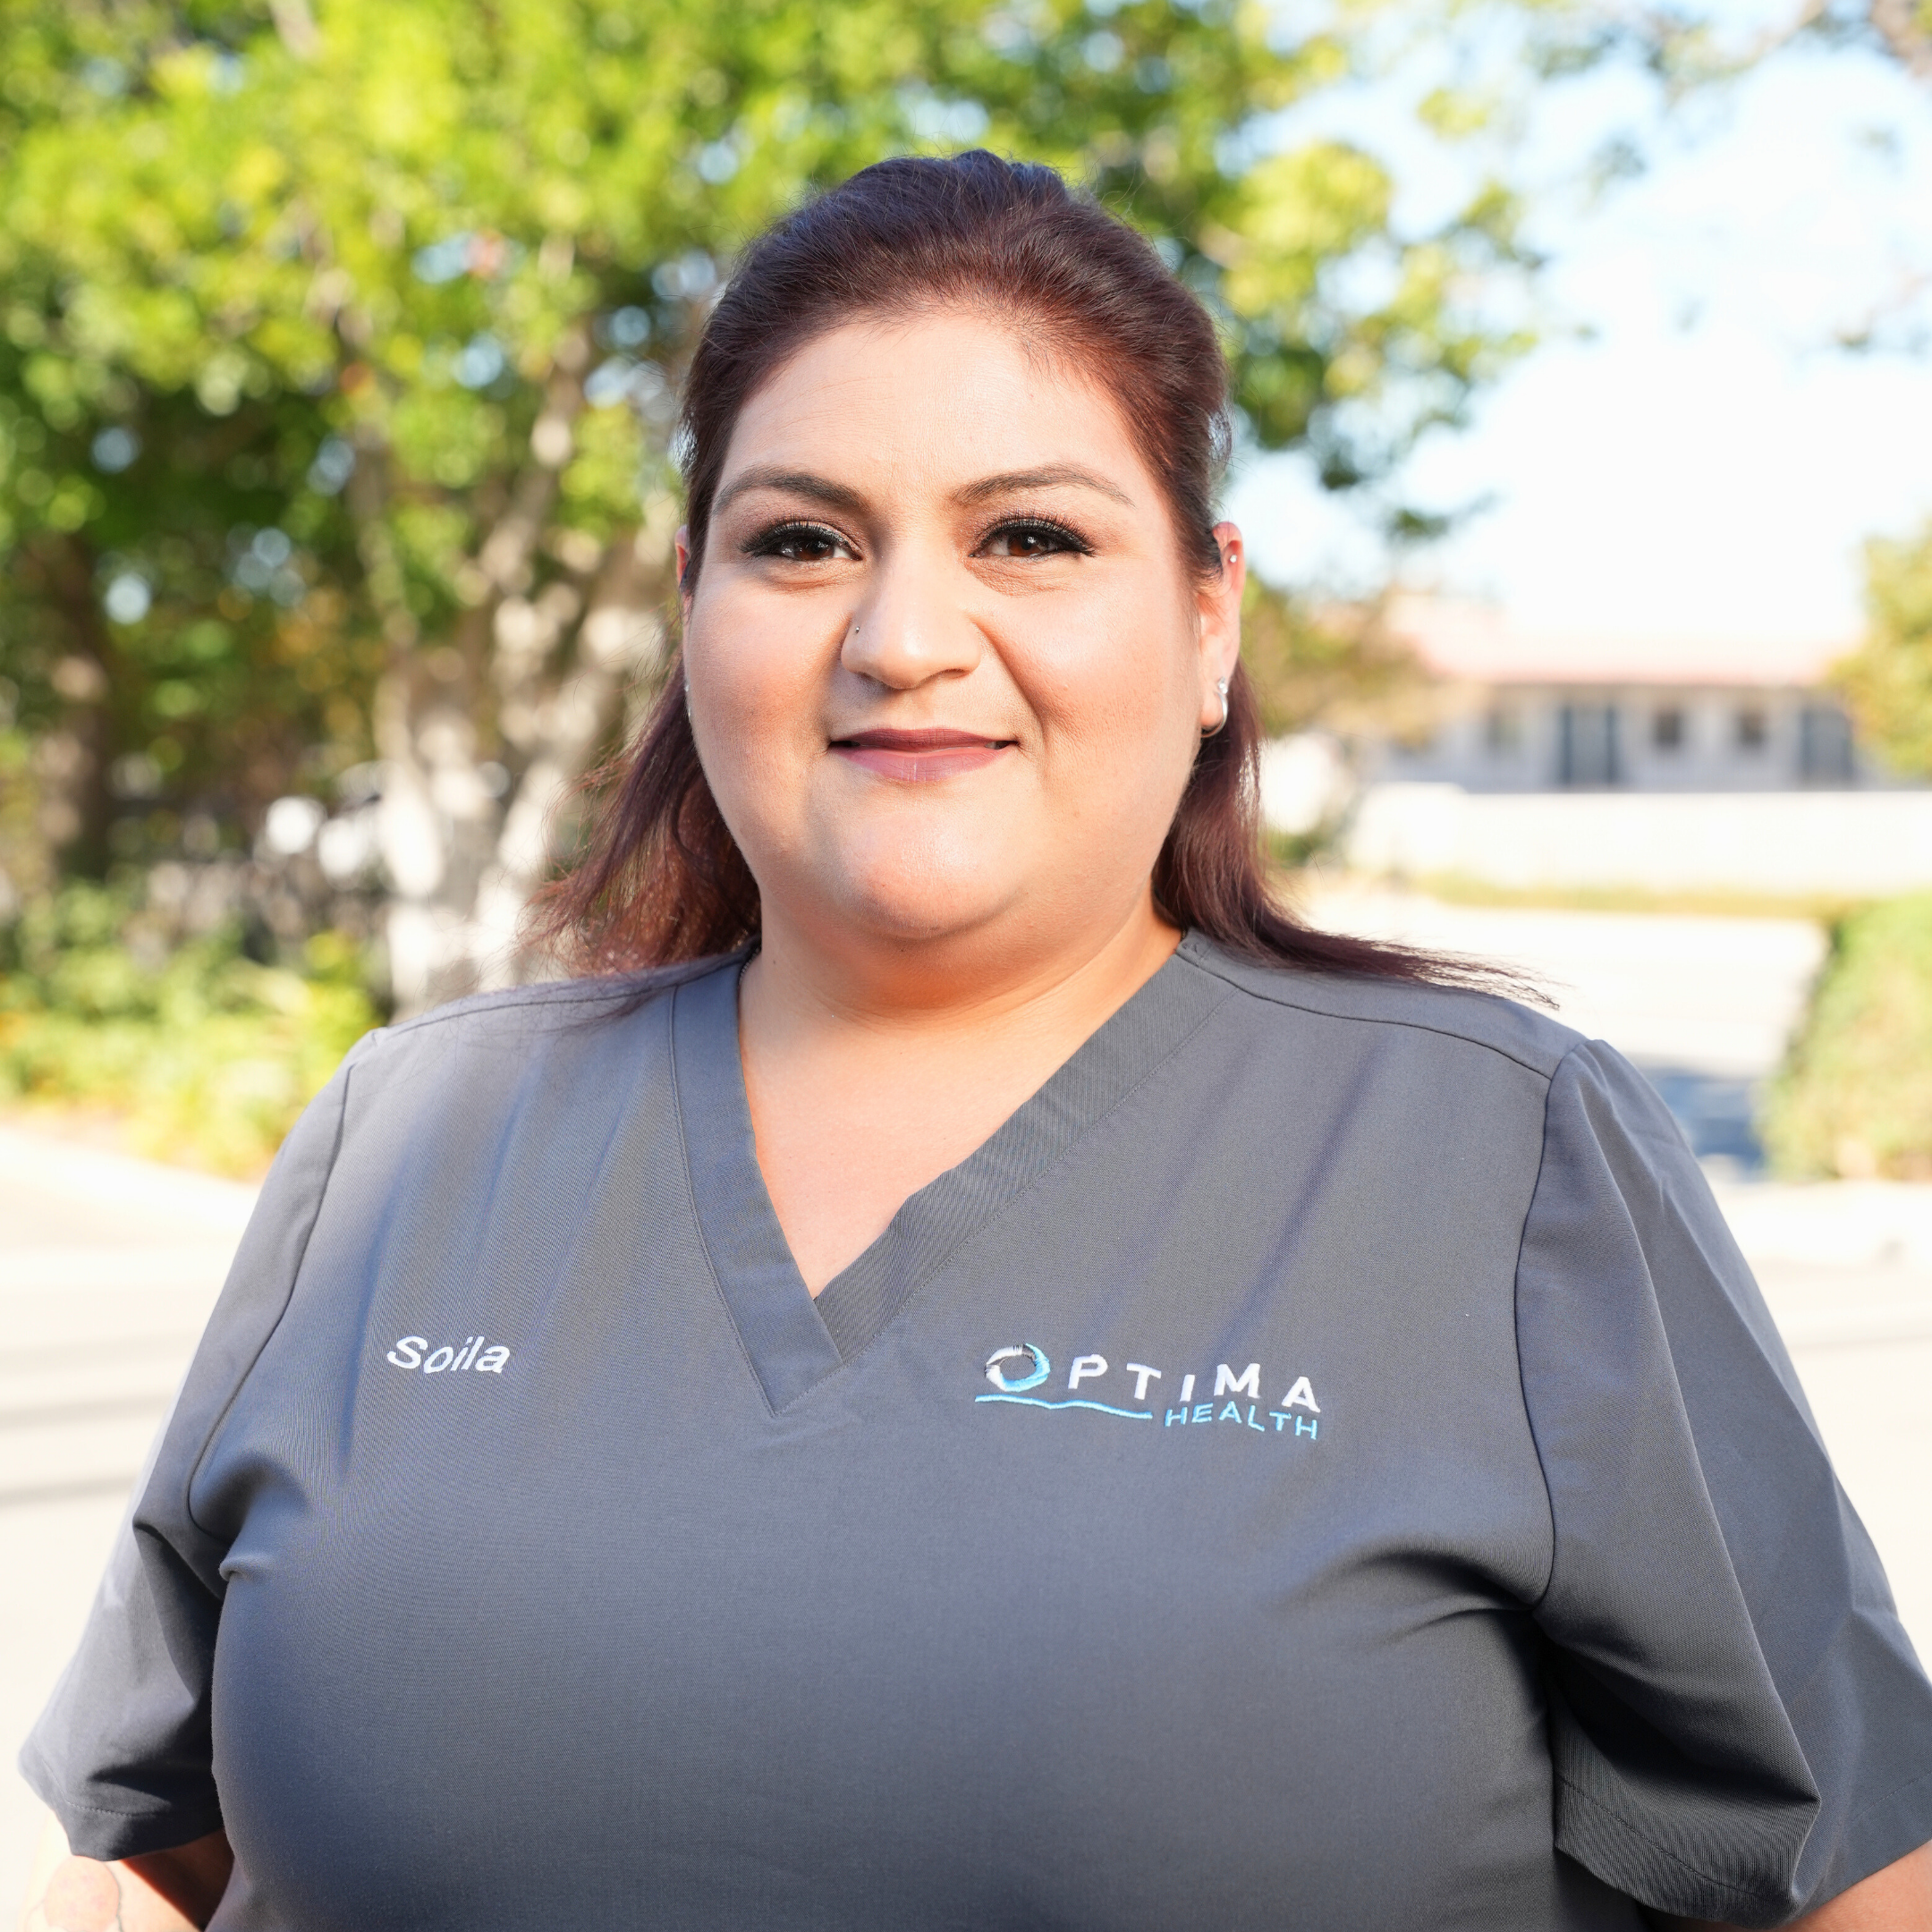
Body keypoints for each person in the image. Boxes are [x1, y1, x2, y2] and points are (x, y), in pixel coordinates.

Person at [16, 151, 1932, 1932]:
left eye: (1027, 535)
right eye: (800, 541)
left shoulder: (1499, 1166)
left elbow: (1857, 1879)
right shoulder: (411, 1140)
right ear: (693, 612)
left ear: (1207, 620)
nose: (904, 636)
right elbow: (152, 1863)